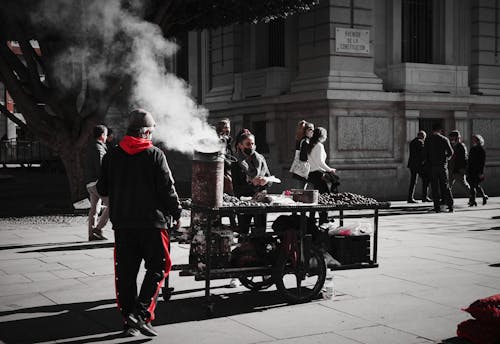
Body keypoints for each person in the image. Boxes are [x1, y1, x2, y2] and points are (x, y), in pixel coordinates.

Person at [97, 109, 181, 337]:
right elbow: (168, 190)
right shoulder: (155, 155)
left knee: (125, 273)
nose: (152, 136)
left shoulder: (111, 156)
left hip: (123, 224)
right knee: (159, 266)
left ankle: (129, 320)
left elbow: (102, 189)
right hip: (153, 224)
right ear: (144, 132)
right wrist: (178, 212)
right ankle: (141, 314)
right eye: (151, 132)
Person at [231, 129, 272, 235]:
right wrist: (251, 184)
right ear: (240, 145)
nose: (251, 147)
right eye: (248, 144)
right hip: (244, 202)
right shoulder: (236, 162)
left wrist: (266, 181)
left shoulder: (261, 159)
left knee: (261, 232)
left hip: (260, 201)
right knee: (243, 232)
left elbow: (269, 179)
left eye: (252, 144)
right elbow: (236, 188)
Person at [85, 125, 110, 241]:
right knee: (113, 204)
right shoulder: (98, 148)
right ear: (101, 136)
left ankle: (91, 234)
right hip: (97, 182)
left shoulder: (90, 146)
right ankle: (98, 229)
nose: (106, 137)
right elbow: (101, 168)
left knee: (94, 209)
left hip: (89, 182)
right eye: (105, 135)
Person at [307, 127, 336, 224]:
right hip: (318, 174)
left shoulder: (311, 145)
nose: (326, 137)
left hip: (312, 174)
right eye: (326, 135)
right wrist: (330, 169)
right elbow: (320, 162)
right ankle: (323, 219)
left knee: (315, 198)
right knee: (324, 197)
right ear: (322, 136)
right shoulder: (319, 146)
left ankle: (312, 220)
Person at [424, 123, 454, 213]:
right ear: (440, 130)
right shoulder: (444, 139)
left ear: (433, 130)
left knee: (434, 187)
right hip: (442, 167)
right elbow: (451, 152)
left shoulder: (428, 139)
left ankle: (437, 207)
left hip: (432, 167)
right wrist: (446, 159)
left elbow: (424, 154)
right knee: (445, 186)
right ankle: (450, 205)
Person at [407, 130, 430, 203]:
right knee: (425, 179)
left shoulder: (412, 142)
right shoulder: (421, 142)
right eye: (424, 137)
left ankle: (410, 197)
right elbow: (422, 153)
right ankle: (424, 197)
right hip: (419, 165)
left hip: (412, 164)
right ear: (423, 136)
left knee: (413, 181)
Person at [291, 121, 314, 189]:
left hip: (299, 168)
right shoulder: (306, 141)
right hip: (303, 168)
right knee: (302, 190)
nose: (313, 131)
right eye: (311, 129)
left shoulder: (301, 139)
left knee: (301, 189)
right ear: (306, 131)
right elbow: (303, 157)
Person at [448, 130, 471, 199]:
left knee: (463, 184)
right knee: (448, 185)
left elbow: (462, 158)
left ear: (457, 138)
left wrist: (461, 168)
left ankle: (472, 196)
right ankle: (446, 199)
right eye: (451, 139)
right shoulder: (454, 146)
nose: (451, 140)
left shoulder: (461, 146)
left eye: (452, 139)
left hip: (458, 169)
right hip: (452, 169)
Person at [467, 134, 488, 206]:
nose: (473, 141)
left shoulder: (481, 150)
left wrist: (481, 172)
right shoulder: (472, 149)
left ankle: (481, 197)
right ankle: (474, 200)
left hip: (477, 171)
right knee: (473, 186)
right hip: (471, 170)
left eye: (475, 140)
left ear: (478, 141)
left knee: (475, 185)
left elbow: (482, 162)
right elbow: (469, 160)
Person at [215, 118, 234, 195]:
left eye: (228, 127)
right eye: (225, 127)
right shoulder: (217, 141)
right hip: (221, 173)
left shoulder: (229, 141)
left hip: (229, 172)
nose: (227, 130)